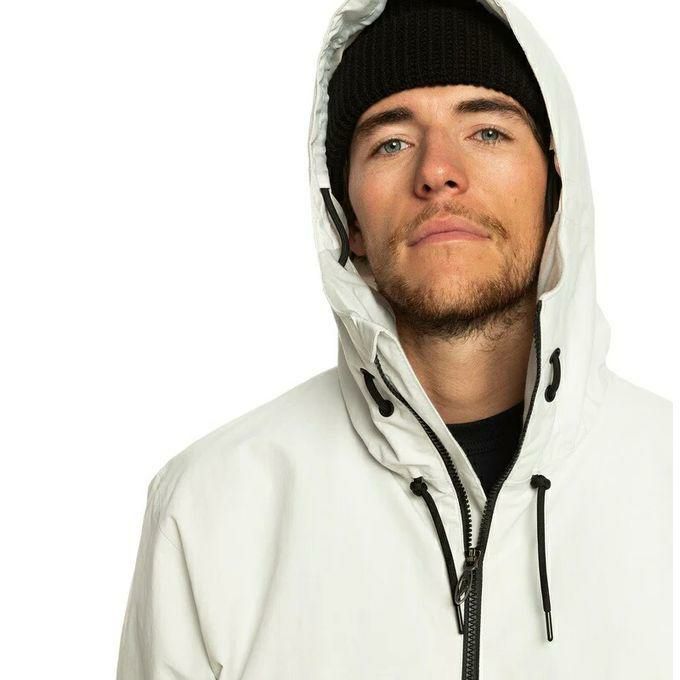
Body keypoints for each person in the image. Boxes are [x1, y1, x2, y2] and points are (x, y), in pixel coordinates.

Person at [115, 0, 672, 678]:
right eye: (392, 143)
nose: (438, 170)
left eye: (488, 131)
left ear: (556, 189)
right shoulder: (211, 509)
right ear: (347, 219)